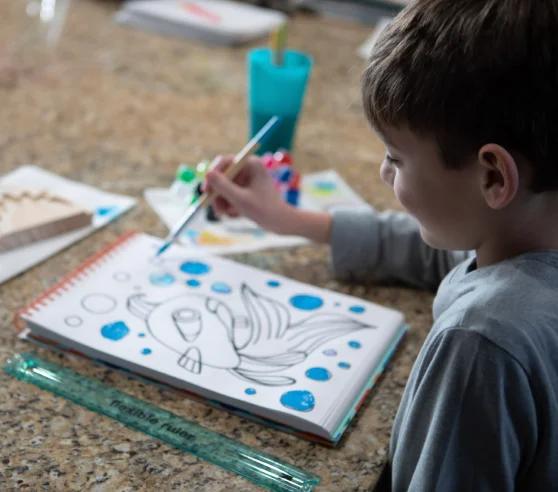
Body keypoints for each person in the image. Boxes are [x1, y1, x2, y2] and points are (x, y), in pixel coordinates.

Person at [203, 0, 558, 489]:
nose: (383, 172)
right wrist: (287, 219)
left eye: (396, 157)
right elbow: (444, 251)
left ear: (494, 175)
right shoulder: (527, 233)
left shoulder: (481, 342)